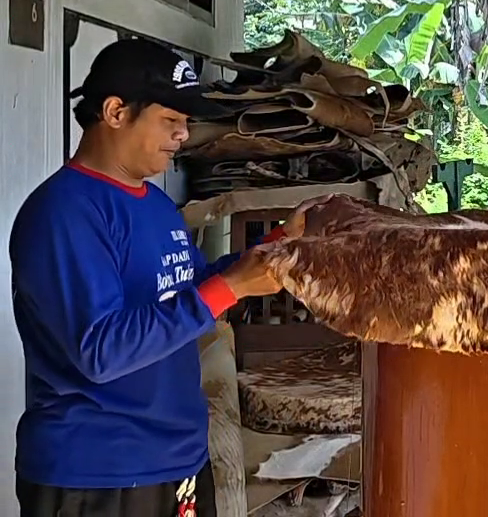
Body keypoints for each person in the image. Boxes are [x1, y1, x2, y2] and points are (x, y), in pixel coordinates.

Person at [8, 39, 317, 517]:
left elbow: (187, 290)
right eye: (170, 121)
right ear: (114, 111)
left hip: (176, 460)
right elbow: (101, 350)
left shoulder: (155, 206)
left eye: (186, 124)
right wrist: (230, 288)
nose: (183, 136)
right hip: (99, 474)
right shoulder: (64, 212)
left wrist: (271, 249)